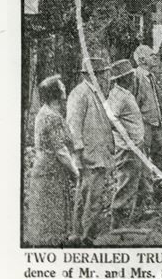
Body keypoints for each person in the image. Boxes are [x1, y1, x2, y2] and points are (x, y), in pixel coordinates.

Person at [27, 75, 80, 246]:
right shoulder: (51, 116)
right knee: (51, 215)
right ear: (55, 92)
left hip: (47, 169)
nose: (64, 87)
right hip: (50, 171)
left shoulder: (47, 112)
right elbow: (60, 151)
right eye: (61, 86)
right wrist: (75, 171)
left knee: (47, 214)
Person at [66, 57, 114, 246]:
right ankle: (84, 236)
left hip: (97, 154)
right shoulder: (80, 94)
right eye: (102, 73)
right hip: (89, 155)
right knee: (89, 196)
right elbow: (73, 126)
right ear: (91, 75)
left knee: (90, 195)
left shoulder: (94, 93)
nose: (105, 77)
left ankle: (82, 234)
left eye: (104, 73)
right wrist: (77, 154)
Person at [133, 45, 162, 209]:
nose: (155, 58)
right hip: (144, 126)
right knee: (143, 162)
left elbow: (159, 102)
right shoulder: (136, 77)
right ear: (142, 60)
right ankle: (147, 199)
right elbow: (133, 104)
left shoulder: (151, 77)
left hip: (157, 125)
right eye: (152, 55)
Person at [108, 59, 145, 230]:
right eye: (129, 75)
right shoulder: (118, 96)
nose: (132, 78)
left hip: (135, 146)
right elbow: (112, 119)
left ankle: (129, 221)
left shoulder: (125, 93)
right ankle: (117, 225)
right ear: (123, 78)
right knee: (125, 184)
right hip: (127, 149)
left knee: (134, 183)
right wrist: (127, 140)